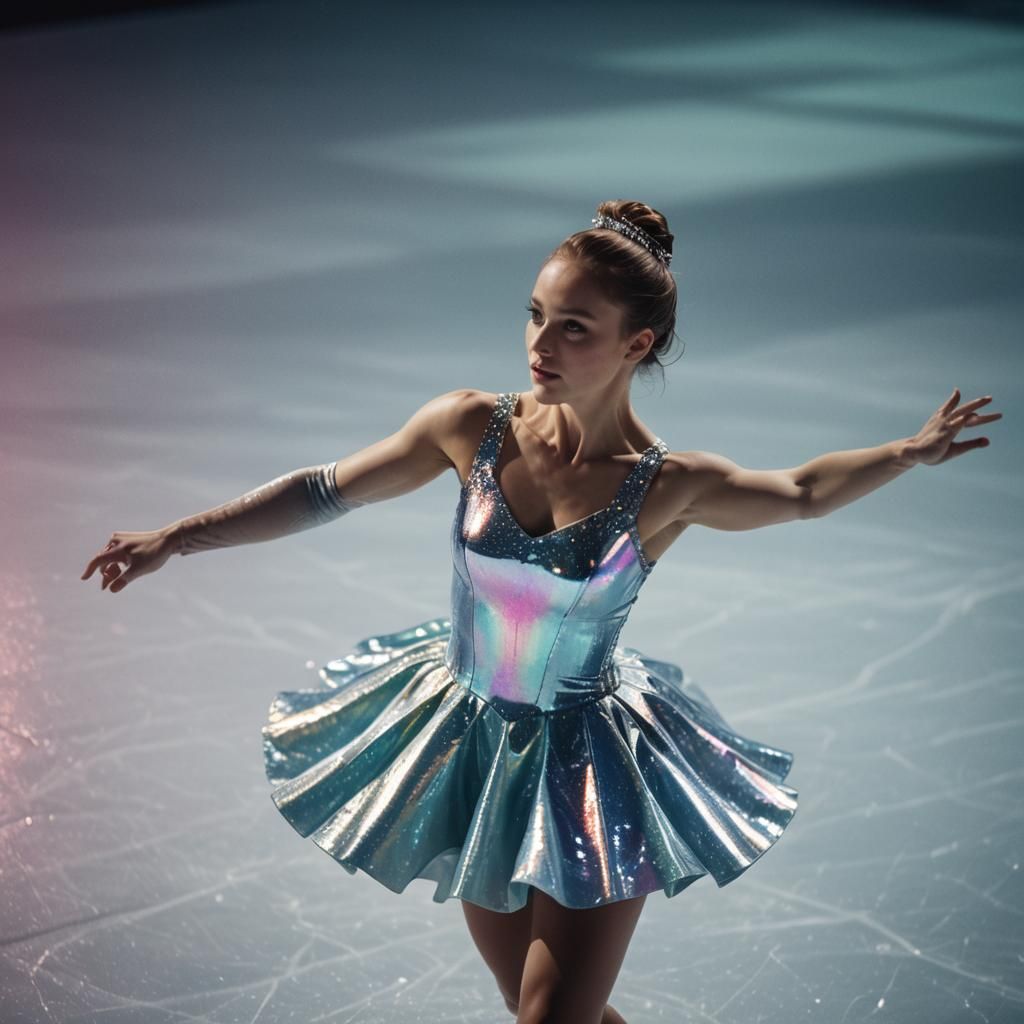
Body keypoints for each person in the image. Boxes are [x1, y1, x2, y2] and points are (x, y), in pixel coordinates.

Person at [81, 200, 1001, 1024]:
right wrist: (179, 536)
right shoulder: (468, 425)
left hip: (593, 770)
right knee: (549, 1011)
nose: (541, 343)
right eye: (535, 315)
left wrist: (905, 453)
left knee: (550, 1016)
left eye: (574, 328)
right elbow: (324, 490)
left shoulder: (666, 486)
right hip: (468, 750)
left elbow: (799, 492)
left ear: (636, 345)